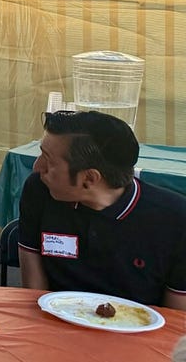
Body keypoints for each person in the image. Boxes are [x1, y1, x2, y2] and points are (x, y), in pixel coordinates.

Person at [18, 110, 186, 311]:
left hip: (136, 336)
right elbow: (34, 293)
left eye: (48, 160)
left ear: (89, 178)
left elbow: (176, 319)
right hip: (53, 326)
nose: (37, 167)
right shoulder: (39, 191)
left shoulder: (175, 220)